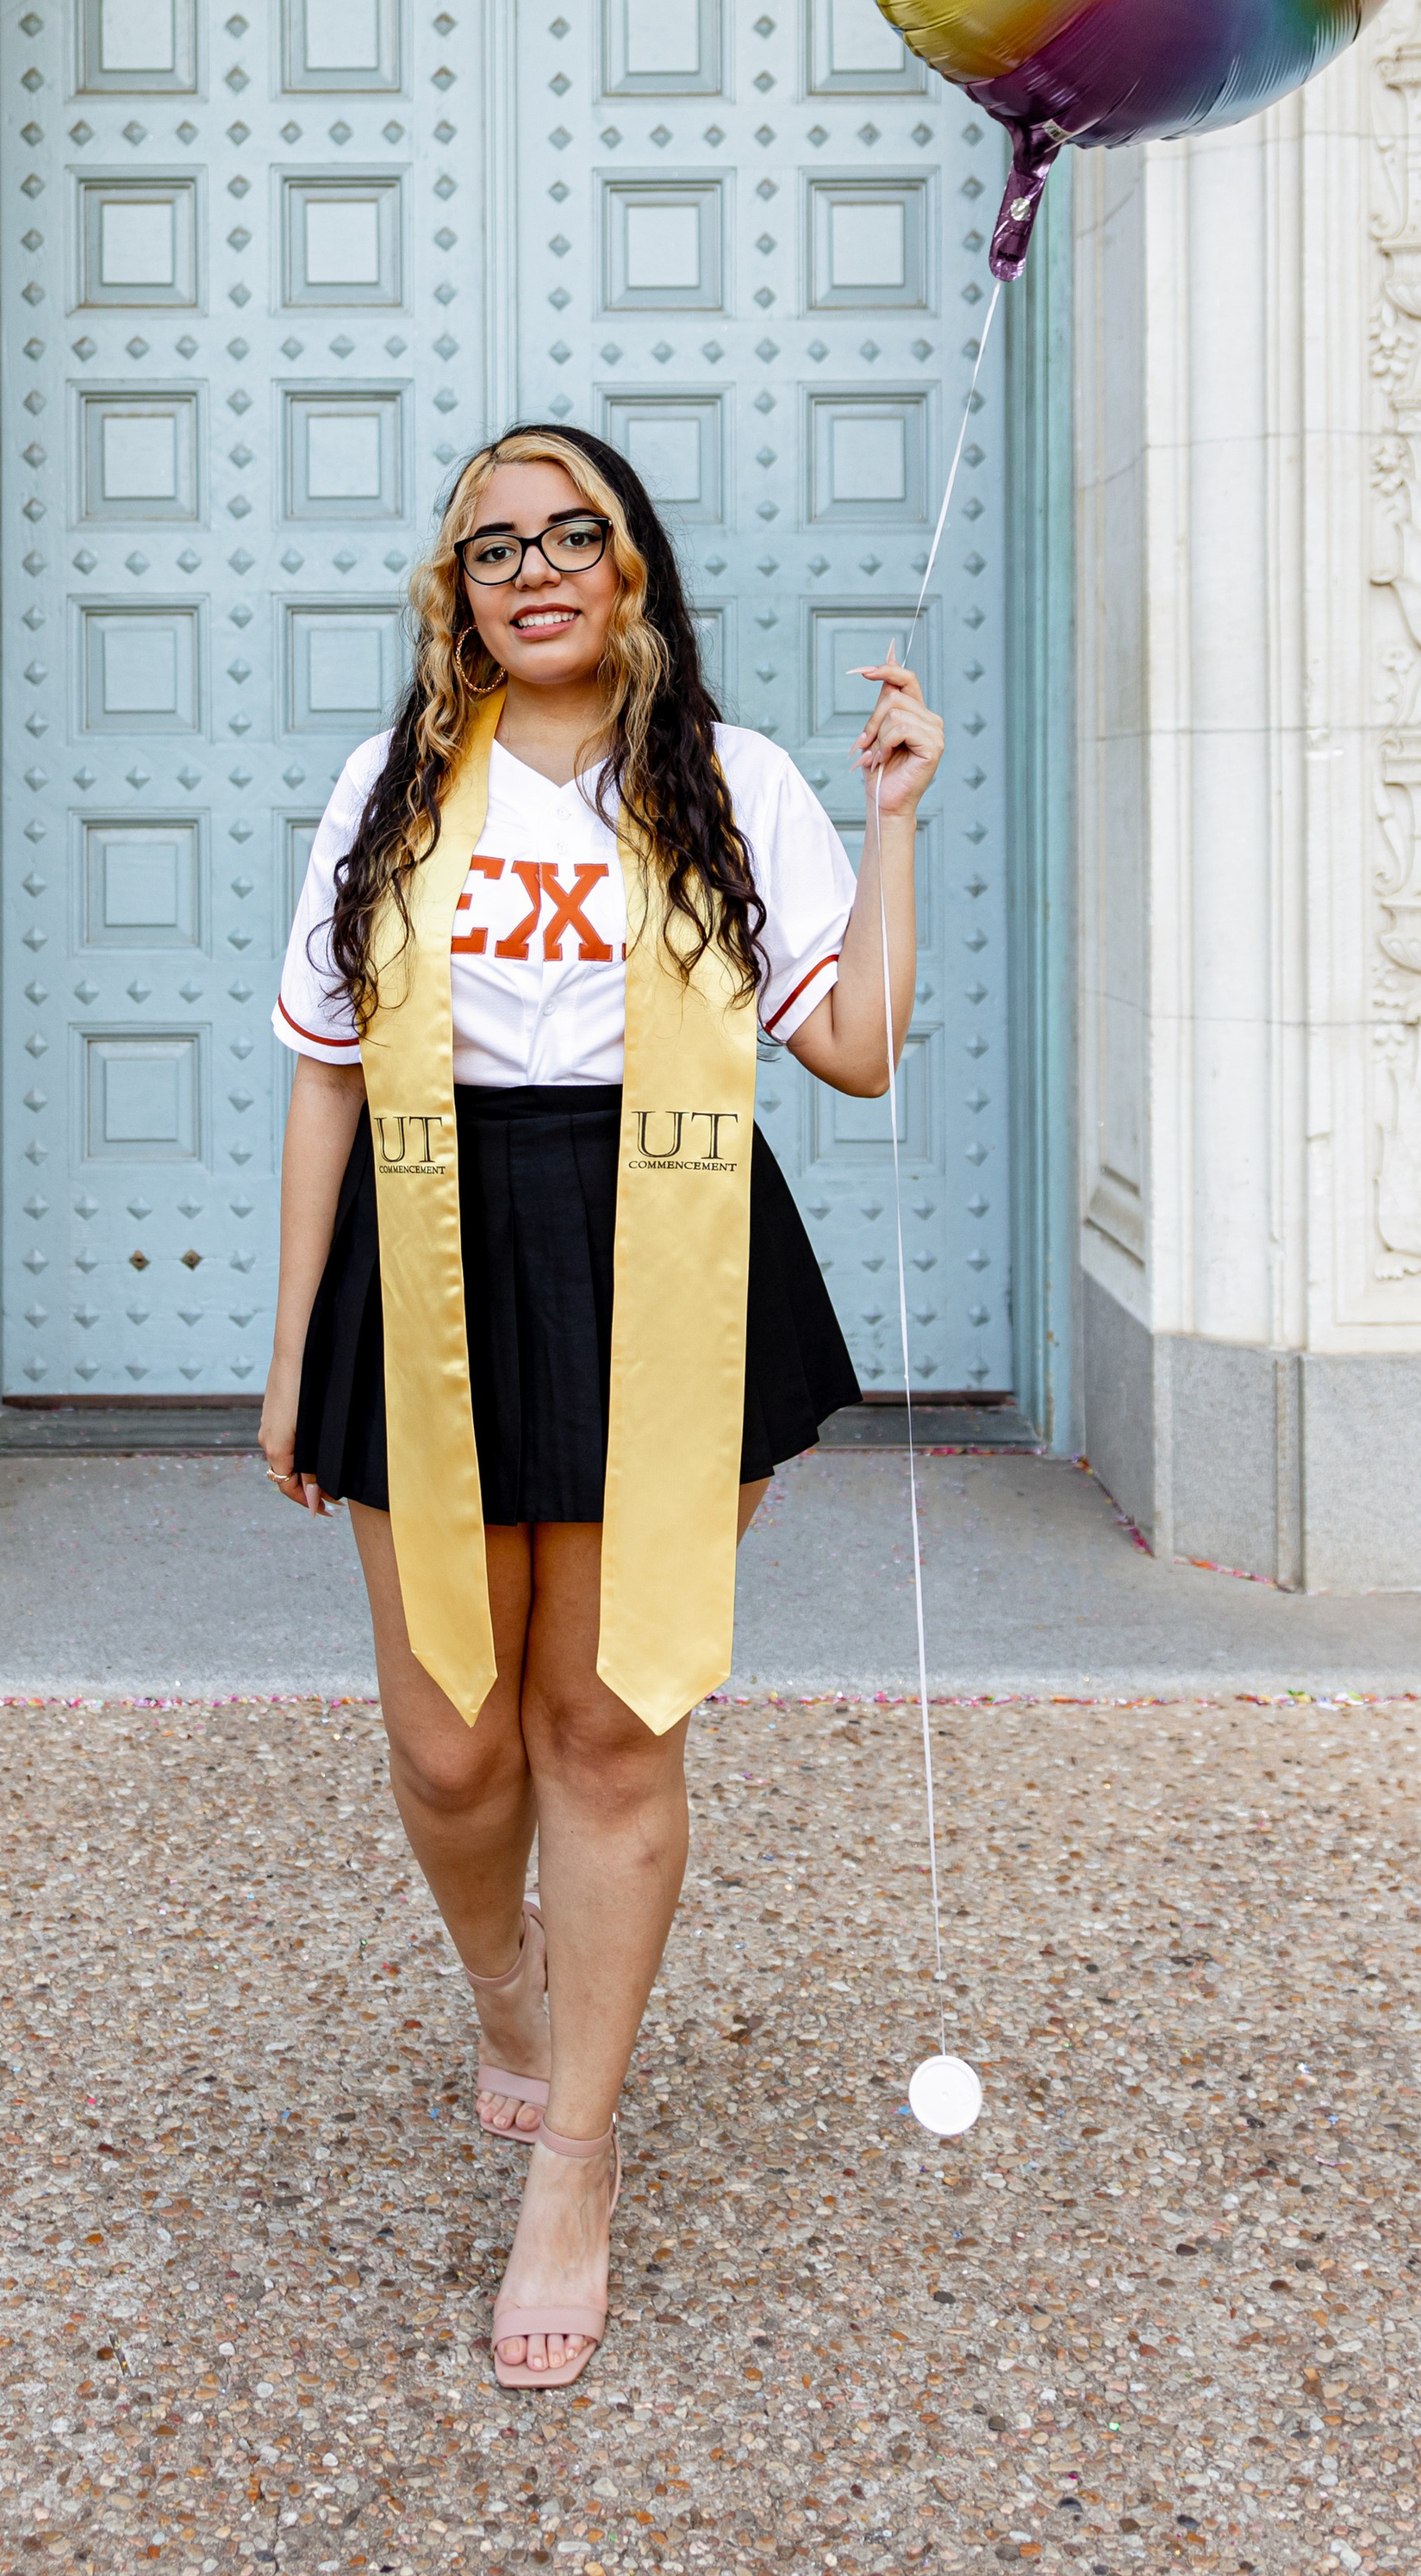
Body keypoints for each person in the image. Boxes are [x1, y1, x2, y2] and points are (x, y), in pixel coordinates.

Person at [259, 423, 943, 2389]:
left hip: (664, 1235)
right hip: (430, 1231)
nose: (536, 565)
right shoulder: (384, 791)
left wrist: (893, 819)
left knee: (600, 1717)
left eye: (576, 532)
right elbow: (322, 1068)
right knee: (454, 1742)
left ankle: (576, 2154)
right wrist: (292, 1347)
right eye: (494, 545)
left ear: (632, 566)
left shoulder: (736, 786)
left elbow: (857, 1049)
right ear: (452, 591)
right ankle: (505, 1984)